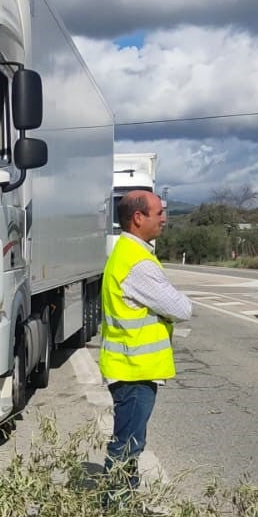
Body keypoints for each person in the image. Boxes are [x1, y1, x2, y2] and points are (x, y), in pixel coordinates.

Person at [98, 190, 192, 499]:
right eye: (159, 212)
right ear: (138, 218)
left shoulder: (127, 253)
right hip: (134, 371)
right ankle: (114, 509)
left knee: (129, 442)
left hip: (129, 367)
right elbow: (181, 309)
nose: (164, 218)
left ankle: (119, 504)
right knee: (127, 445)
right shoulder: (138, 263)